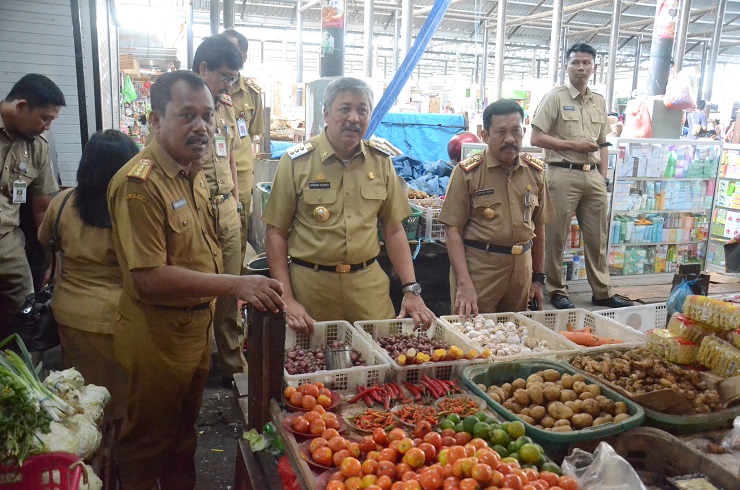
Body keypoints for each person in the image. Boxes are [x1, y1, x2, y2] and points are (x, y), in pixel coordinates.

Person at [107, 70, 284, 488]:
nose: (201, 127)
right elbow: (149, 277)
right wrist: (235, 284)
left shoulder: (192, 172)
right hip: (156, 337)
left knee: (183, 437)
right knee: (147, 443)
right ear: (155, 121)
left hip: (192, 330)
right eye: (186, 116)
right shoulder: (140, 185)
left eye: (206, 116)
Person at [263, 77, 434, 334]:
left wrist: (411, 290)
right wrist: (288, 298)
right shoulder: (296, 162)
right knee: (314, 364)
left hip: (368, 288)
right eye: (345, 109)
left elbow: (394, 228)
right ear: (326, 114)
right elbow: (275, 233)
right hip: (312, 289)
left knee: (380, 356)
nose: (354, 118)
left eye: (362, 110)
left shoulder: (381, 162)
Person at [38, 130, 138, 420]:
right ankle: (118, 453)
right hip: (119, 313)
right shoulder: (131, 206)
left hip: (70, 312)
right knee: (120, 397)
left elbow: (45, 238)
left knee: (79, 392)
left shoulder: (63, 201)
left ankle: (90, 454)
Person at [531, 43, 632, 310]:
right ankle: (556, 289)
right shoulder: (555, 98)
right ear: (566, 66)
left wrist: (603, 176)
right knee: (555, 236)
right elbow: (536, 136)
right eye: (575, 62)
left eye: (586, 63)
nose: (581, 67)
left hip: (593, 177)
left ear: (594, 68)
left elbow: (603, 143)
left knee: (598, 237)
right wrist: (573, 146)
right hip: (562, 174)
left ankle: (602, 291)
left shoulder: (598, 101)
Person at [439, 99, 552, 316]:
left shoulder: (535, 172)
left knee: (514, 336)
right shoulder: (468, 173)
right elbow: (452, 231)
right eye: (500, 132)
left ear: (524, 131)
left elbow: (539, 226)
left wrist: (538, 279)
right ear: (485, 135)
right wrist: (464, 283)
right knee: (473, 338)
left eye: (516, 131)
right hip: (481, 271)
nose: (510, 139)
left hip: (521, 271)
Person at [192, 34, 247, 382]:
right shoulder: (181, 104)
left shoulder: (224, 108)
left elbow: (231, 162)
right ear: (203, 68)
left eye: (232, 78)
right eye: (224, 76)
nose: (229, 84)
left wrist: (237, 203)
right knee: (196, 292)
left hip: (226, 208)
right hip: (193, 210)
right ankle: (194, 363)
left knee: (231, 287)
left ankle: (231, 365)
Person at [0, 74, 65, 332]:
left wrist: (53, 254)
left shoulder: (38, 147)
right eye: (44, 118)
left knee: (24, 308)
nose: (47, 126)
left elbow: (41, 206)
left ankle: (15, 361)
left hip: (7, 241)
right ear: (20, 107)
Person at [223, 28, 265, 268]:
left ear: (244, 57)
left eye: (232, 49)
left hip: (240, 171)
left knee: (238, 228)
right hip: (208, 170)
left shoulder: (251, 93)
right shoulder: (203, 87)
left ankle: (235, 280)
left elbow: (251, 133)